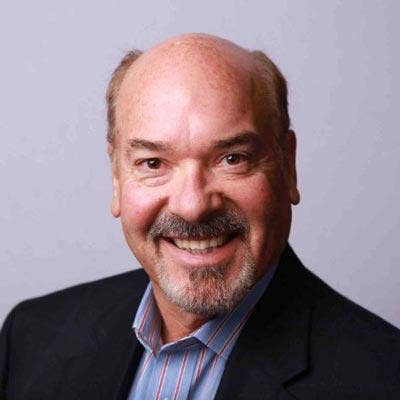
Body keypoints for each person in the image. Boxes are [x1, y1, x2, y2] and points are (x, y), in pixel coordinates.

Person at [1, 33, 399, 400]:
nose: (192, 206)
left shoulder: (382, 379)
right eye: (153, 162)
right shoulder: (31, 337)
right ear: (117, 177)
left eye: (233, 158)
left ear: (288, 166)